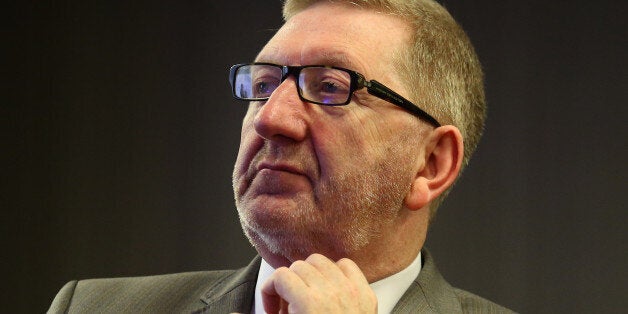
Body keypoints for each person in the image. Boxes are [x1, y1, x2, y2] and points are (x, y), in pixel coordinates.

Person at [48, 0, 515, 313]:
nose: (272, 118)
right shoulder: (90, 307)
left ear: (431, 163)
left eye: (331, 87)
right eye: (265, 84)